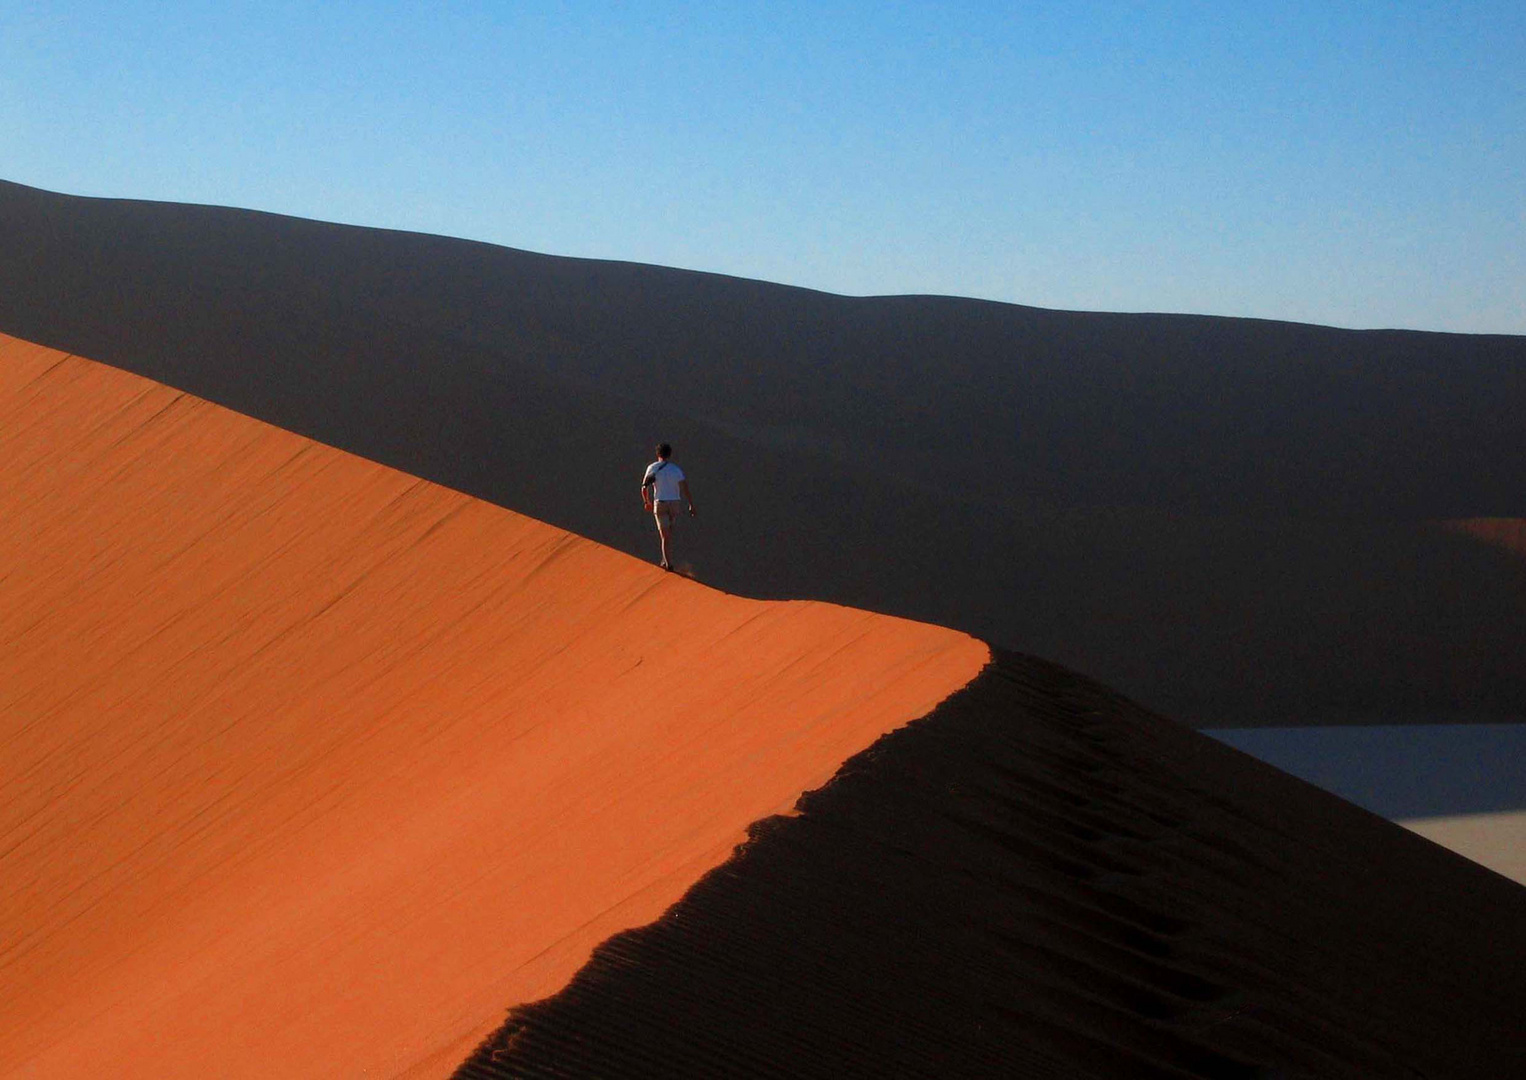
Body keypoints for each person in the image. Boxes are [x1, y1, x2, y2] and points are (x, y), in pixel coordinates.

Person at [640, 442, 695, 570]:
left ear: (657, 454)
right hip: (674, 505)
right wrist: (691, 504)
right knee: (668, 533)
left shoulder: (652, 468)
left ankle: (667, 563)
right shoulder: (676, 470)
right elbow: (685, 488)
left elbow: (644, 487)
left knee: (665, 535)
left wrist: (646, 502)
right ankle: (666, 560)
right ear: (670, 454)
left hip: (660, 504)